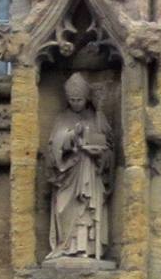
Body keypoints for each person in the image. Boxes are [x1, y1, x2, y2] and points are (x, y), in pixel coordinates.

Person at [46, 70, 116, 260]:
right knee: (64, 207)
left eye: (79, 99)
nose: (75, 103)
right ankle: (66, 246)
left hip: (90, 171)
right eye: (72, 99)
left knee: (86, 209)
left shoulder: (97, 118)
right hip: (69, 172)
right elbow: (53, 145)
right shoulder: (62, 118)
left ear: (86, 98)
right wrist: (71, 136)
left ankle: (87, 249)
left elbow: (109, 146)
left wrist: (100, 153)